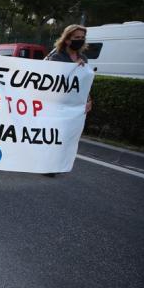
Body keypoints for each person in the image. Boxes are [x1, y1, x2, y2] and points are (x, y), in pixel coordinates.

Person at [44, 24, 94, 177]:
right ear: (67, 40)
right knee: (53, 134)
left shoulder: (83, 58)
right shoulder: (56, 57)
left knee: (66, 135)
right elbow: (47, 79)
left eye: (82, 38)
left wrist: (89, 99)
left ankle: (56, 162)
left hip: (73, 106)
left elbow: (84, 83)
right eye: (76, 37)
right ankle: (47, 164)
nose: (80, 40)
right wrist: (72, 67)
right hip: (56, 103)